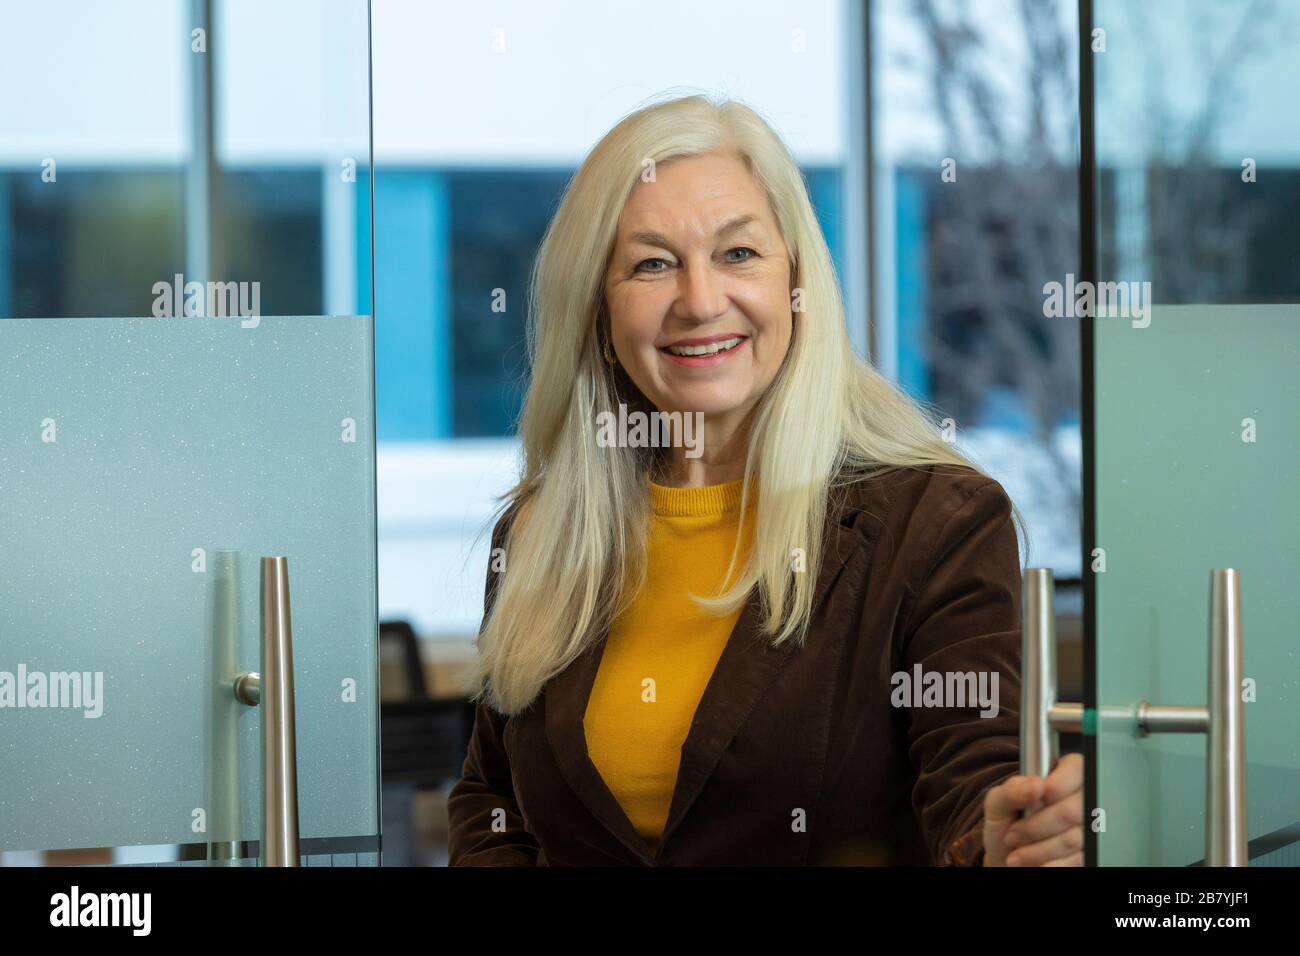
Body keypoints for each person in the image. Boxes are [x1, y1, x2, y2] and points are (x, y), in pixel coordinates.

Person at [446, 93, 1083, 866]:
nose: (702, 301)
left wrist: (1003, 840)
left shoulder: (935, 523)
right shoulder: (544, 531)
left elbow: (969, 785)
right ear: (598, 311)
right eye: (652, 264)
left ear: (797, 283)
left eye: (738, 254)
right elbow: (494, 799)